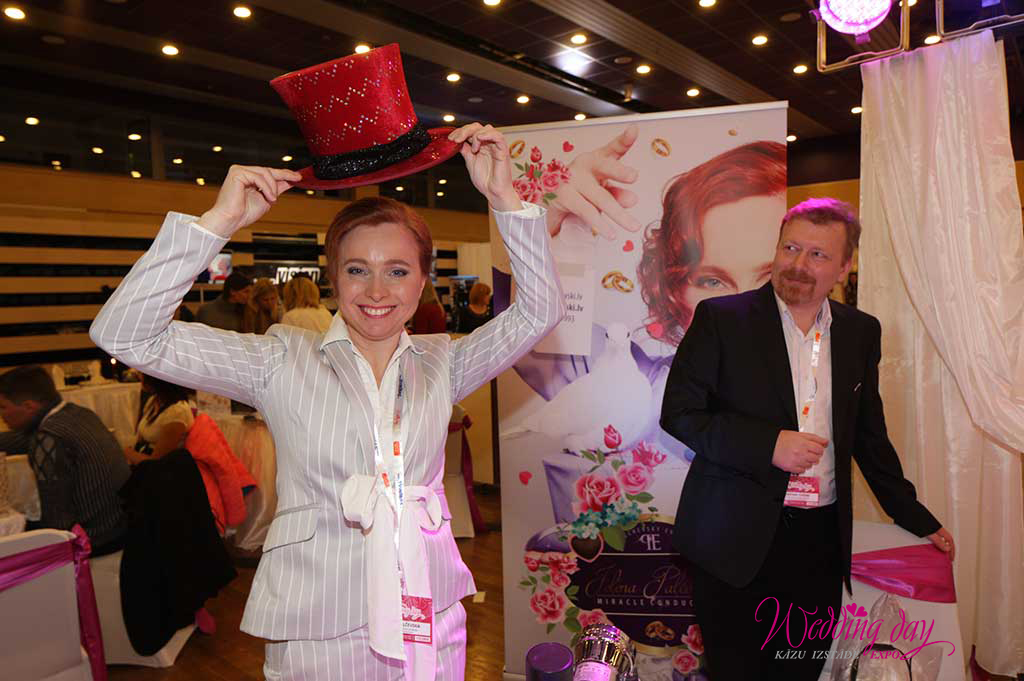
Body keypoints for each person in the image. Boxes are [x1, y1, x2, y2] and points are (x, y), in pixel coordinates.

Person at [90, 122, 563, 680]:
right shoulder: (279, 359)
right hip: (319, 620)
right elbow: (125, 335)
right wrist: (218, 223)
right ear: (333, 278)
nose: (377, 291)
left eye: (397, 271)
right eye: (357, 270)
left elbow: (539, 311)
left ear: (422, 282)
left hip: (427, 611)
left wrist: (505, 199)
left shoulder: (445, 361)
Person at [660, 198, 955, 680]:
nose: (798, 264)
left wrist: (914, 516)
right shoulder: (722, 320)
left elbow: (868, 435)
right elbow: (680, 414)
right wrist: (768, 445)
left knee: (799, 669)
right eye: (791, 248)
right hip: (734, 538)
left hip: (818, 545)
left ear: (845, 266)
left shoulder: (860, 332)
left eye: (818, 254)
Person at [0, 365, 130, 555]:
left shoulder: (49, 436)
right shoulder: (78, 413)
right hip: (119, 527)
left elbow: (56, 518)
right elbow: (20, 440)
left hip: (93, 539)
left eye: (3, 407)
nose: (2, 415)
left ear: (29, 406)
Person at [125, 373, 194, 465]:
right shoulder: (154, 401)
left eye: (142, 373)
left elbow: (156, 463)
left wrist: (128, 453)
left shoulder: (177, 412)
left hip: (163, 469)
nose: (139, 375)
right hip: (142, 458)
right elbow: (140, 438)